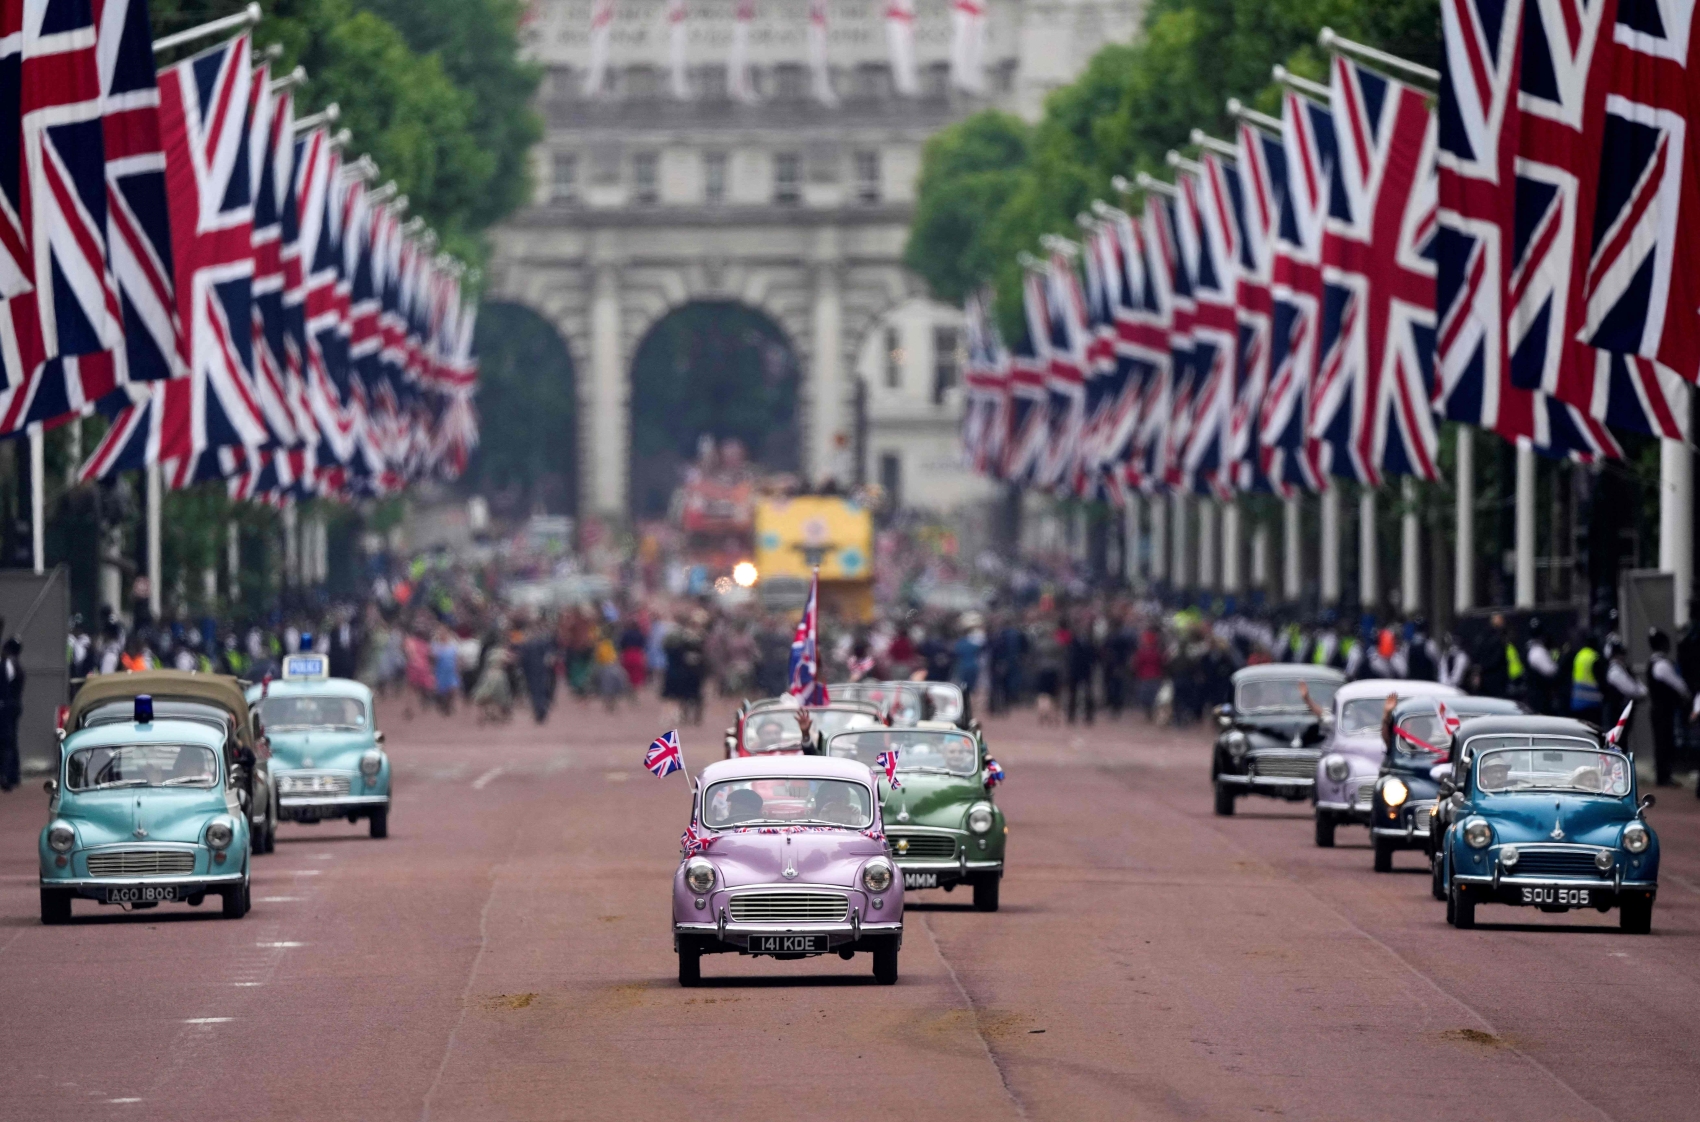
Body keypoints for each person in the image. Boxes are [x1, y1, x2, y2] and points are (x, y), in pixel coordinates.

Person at [1646, 629, 1691, 787]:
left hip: (1659, 710)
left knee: (1662, 742)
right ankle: (1663, 776)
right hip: (1663, 710)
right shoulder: (1662, 664)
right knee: (1664, 742)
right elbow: (1677, 684)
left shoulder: (1654, 662)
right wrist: (1686, 694)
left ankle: (1663, 775)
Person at [0, 636, 22, 791]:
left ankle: (7, 775)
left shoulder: (7, 664)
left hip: (7, 707)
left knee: (7, 741)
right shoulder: (17, 665)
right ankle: (13, 774)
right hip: (14, 706)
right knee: (12, 740)